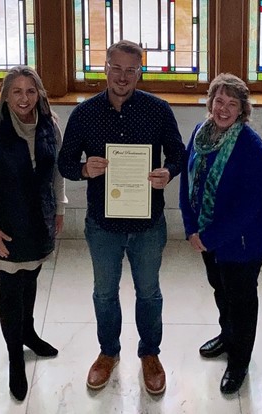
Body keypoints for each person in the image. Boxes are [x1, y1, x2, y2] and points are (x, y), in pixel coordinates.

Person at [57, 40, 185, 395]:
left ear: (140, 73)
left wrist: (168, 172)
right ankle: (108, 352)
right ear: (106, 69)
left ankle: (150, 354)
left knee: (149, 293)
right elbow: (65, 163)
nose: (123, 77)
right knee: (104, 293)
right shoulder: (84, 114)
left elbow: (179, 154)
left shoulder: (158, 110)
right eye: (117, 68)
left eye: (131, 70)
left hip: (147, 224)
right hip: (103, 224)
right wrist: (85, 169)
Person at [0, 66, 67, 401]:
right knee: (11, 290)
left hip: (38, 222)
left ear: (39, 93)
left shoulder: (50, 125)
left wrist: (60, 208)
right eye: (17, 92)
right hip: (5, 228)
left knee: (31, 277)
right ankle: (14, 357)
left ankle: (29, 334)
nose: (25, 99)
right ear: (6, 96)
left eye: (31, 91)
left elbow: (56, 172)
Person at [179, 73, 262, 394]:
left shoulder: (252, 148)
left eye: (232, 104)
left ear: (242, 110)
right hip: (208, 236)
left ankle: (239, 362)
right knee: (220, 289)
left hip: (243, 242)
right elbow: (187, 181)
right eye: (219, 101)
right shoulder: (200, 132)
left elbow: (248, 209)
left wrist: (208, 238)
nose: (223, 109)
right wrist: (191, 227)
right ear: (210, 102)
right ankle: (227, 335)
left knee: (241, 299)